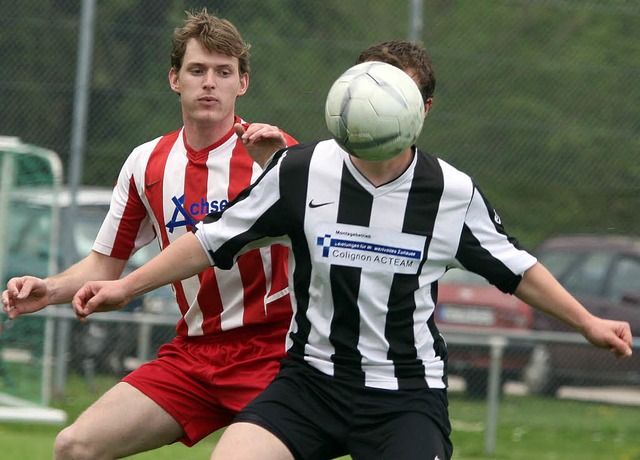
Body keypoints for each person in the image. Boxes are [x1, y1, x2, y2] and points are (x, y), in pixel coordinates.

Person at [66, 41, 633, 460]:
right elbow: (211, 239)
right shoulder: (303, 169)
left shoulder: (449, 192)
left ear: (422, 110)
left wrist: (587, 322)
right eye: (372, 82)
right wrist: (123, 285)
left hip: (404, 395)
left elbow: (517, 268)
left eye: (397, 89)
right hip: (308, 384)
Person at [1, 9, 297, 460]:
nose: (210, 83)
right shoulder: (147, 162)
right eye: (197, 70)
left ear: (243, 83)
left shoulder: (275, 153)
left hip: (275, 356)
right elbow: (104, 264)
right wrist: (50, 289)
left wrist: (277, 167)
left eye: (224, 72)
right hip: (194, 354)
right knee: (73, 446)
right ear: (174, 79)